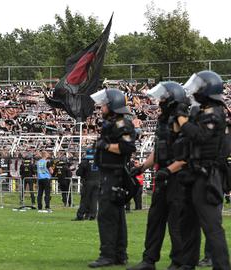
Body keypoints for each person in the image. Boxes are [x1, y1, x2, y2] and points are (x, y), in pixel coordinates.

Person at [127, 81, 189, 270]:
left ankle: (178, 262)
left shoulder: (183, 121)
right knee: (154, 219)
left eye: (163, 97)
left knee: (176, 223)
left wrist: (169, 170)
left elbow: (187, 155)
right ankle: (149, 260)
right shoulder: (163, 121)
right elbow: (159, 150)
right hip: (162, 176)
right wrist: (142, 167)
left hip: (178, 178)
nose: (160, 100)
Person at [176, 70, 231, 269]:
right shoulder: (203, 111)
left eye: (199, 87)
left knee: (211, 226)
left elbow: (199, 136)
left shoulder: (214, 113)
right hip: (194, 173)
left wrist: (181, 118)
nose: (195, 91)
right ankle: (187, 263)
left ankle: (222, 266)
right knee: (188, 224)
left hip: (207, 175)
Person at [88, 88, 136, 268]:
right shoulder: (113, 122)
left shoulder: (122, 124)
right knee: (116, 215)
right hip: (110, 173)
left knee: (107, 215)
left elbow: (127, 148)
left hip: (114, 173)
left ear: (113, 105)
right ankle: (119, 255)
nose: (101, 107)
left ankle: (107, 255)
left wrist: (106, 146)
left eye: (104, 104)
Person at [75, 148, 100, 221]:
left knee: (84, 199)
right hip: (97, 182)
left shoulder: (84, 162)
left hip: (88, 182)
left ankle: (80, 215)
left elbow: (78, 173)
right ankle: (92, 215)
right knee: (94, 200)